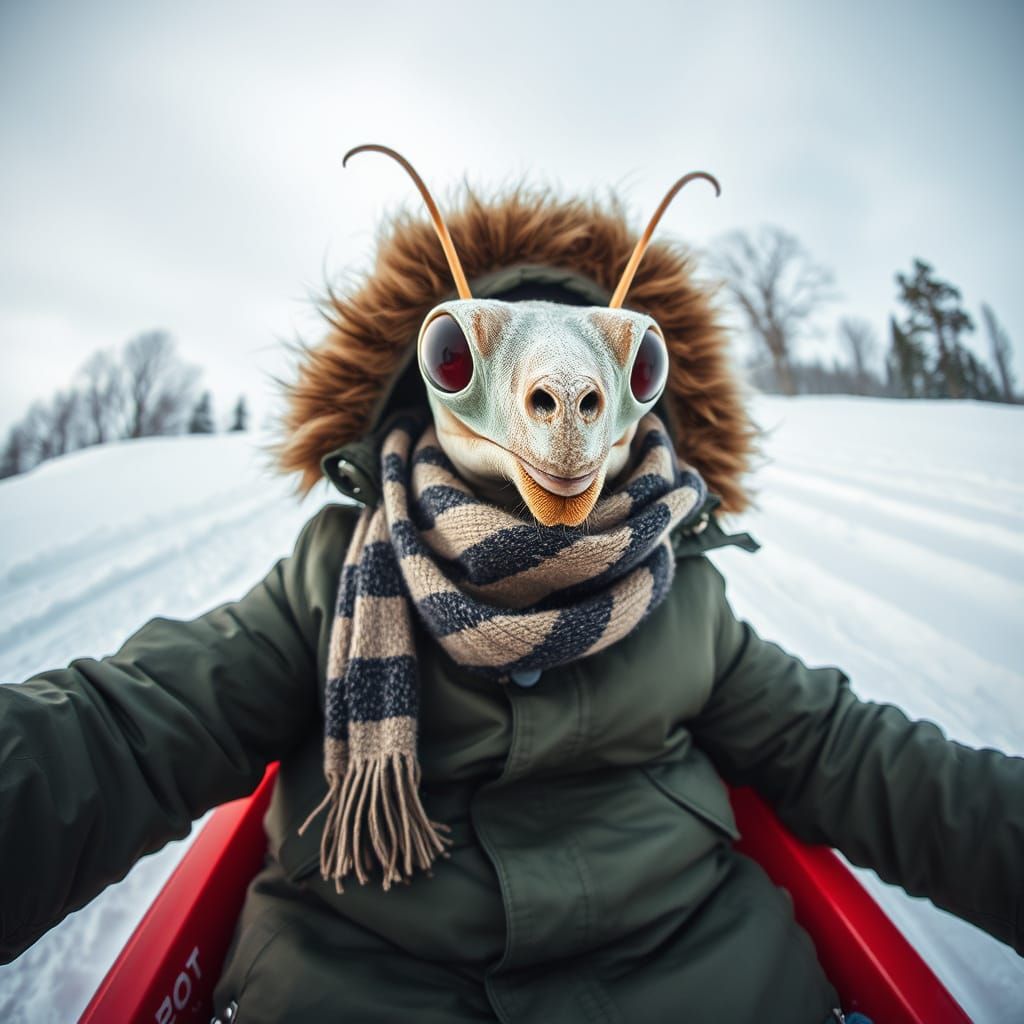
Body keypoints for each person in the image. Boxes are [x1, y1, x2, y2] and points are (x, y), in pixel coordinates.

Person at [1, 160, 1021, 1024]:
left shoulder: (690, 601)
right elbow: (123, 730)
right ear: (424, 379)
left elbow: (853, 754)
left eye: (624, 366)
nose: (563, 397)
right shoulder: (330, 579)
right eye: (460, 353)